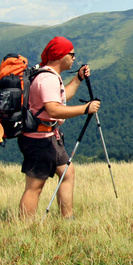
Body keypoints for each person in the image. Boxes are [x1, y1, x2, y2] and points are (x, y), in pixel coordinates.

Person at [17, 36, 100, 219]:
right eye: (72, 54)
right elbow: (53, 110)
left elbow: (61, 99)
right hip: (39, 140)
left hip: (48, 137)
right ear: (61, 55)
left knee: (67, 173)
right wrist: (85, 109)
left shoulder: (50, 76)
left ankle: (67, 219)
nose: (74, 58)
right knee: (35, 186)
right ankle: (23, 228)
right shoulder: (47, 79)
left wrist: (78, 78)